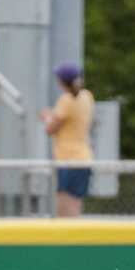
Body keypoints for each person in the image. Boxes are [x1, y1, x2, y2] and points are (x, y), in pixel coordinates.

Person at [41, 62, 94, 216]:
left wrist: (46, 118)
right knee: (75, 204)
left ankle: (68, 240)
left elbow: (51, 128)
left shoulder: (66, 100)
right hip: (83, 157)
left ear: (62, 81)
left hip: (69, 158)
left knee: (65, 206)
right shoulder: (86, 96)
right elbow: (69, 118)